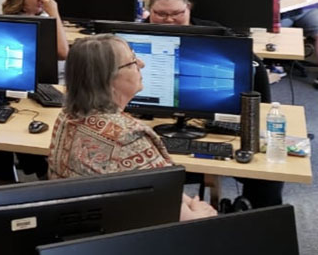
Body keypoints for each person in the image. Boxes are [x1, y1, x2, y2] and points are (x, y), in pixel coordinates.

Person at [47, 34, 218, 221]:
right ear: (109, 79)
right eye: (132, 62)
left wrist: (188, 202)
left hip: (80, 227)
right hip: (128, 239)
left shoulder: (67, 115)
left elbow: (163, 184)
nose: (142, 64)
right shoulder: (127, 137)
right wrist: (200, 211)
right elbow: (182, 218)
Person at [147, 0, 282, 208]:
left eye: (176, 13)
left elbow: (254, 64)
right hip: (151, 122)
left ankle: (250, 214)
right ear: (149, 11)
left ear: (188, 8)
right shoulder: (131, 36)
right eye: (160, 14)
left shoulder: (214, 34)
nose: (169, 20)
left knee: (267, 175)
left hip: (207, 123)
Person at [0, 0, 70, 181]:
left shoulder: (41, 19)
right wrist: (54, 13)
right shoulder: (17, 24)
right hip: (20, 92)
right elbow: (63, 52)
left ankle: (39, 170)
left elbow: (62, 53)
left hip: (44, 91)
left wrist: (51, 14)